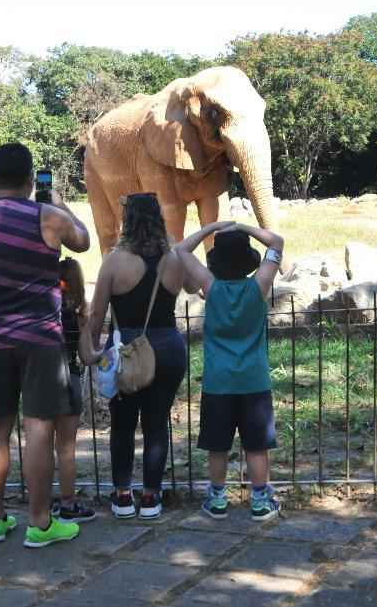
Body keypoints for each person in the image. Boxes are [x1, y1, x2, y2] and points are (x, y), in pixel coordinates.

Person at [0, 143, 91, 546]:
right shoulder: (48, 217)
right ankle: (40, 522)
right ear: (32, 178)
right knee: (38, 428)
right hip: (39, 337)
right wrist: (61, 203)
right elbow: (83, 242)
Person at [84, 193, 188, 520]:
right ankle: (152, 496)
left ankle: (123, 495)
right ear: (159, 218)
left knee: (123, 424)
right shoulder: (174, 260)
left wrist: (92, 350)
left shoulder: (114, 262)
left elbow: (97, 315)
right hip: (168, 348)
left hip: (127, 351)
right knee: (157, 424)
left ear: (126, 220)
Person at [174, 220, 283, 521]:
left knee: (217, 445)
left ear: (217, 261)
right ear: (246, 259)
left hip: (218, 382)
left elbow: (181, 249)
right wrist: (246, 228)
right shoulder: (258, 287)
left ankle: (218, 499)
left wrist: (211, 228)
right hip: (254, 380)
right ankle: (260, 501)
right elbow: (277, 244)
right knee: (257, 446)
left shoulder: (211, 287)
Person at [50, 257, 95, 523]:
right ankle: (68, 504)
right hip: (69, 377)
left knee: (39, 443)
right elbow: (87, 356)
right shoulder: (77, 316)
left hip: (41, 377)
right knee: (65, 447)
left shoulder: (42, 311)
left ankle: (41, 503)